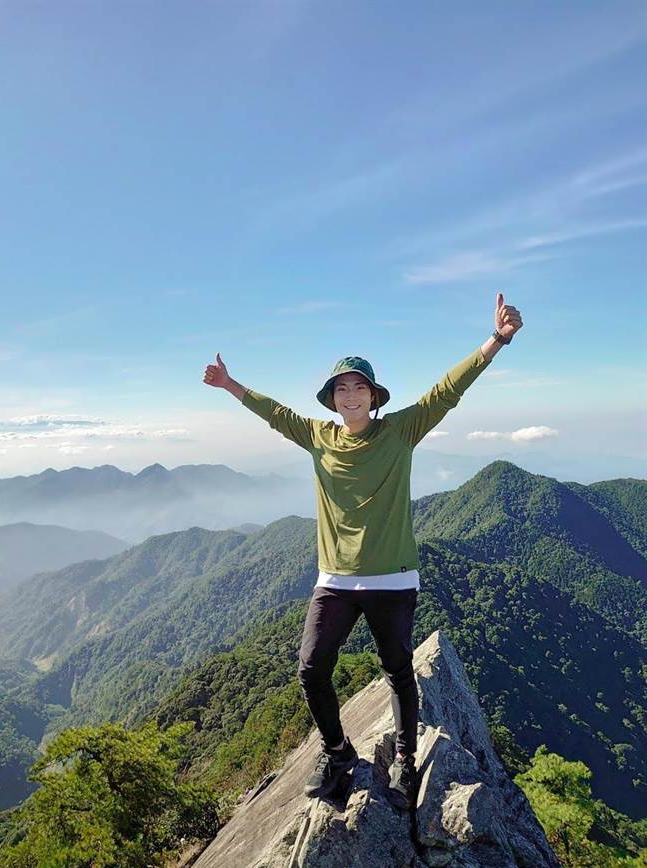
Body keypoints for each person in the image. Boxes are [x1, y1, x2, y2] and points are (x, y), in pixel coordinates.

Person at [203, 292, 523, 809]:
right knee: (311, 668)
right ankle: (337, 752)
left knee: (397, 668)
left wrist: (497, 340)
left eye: (360, 388)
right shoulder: (317, 436)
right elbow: (275, 413)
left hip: (392, 577)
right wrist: (229, 384)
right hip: (335, 579)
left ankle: (405, 760)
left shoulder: (400, 431)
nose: (350, 395)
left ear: (374, 397)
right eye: (342, 388)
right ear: (332, 399)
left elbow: (447, 390)